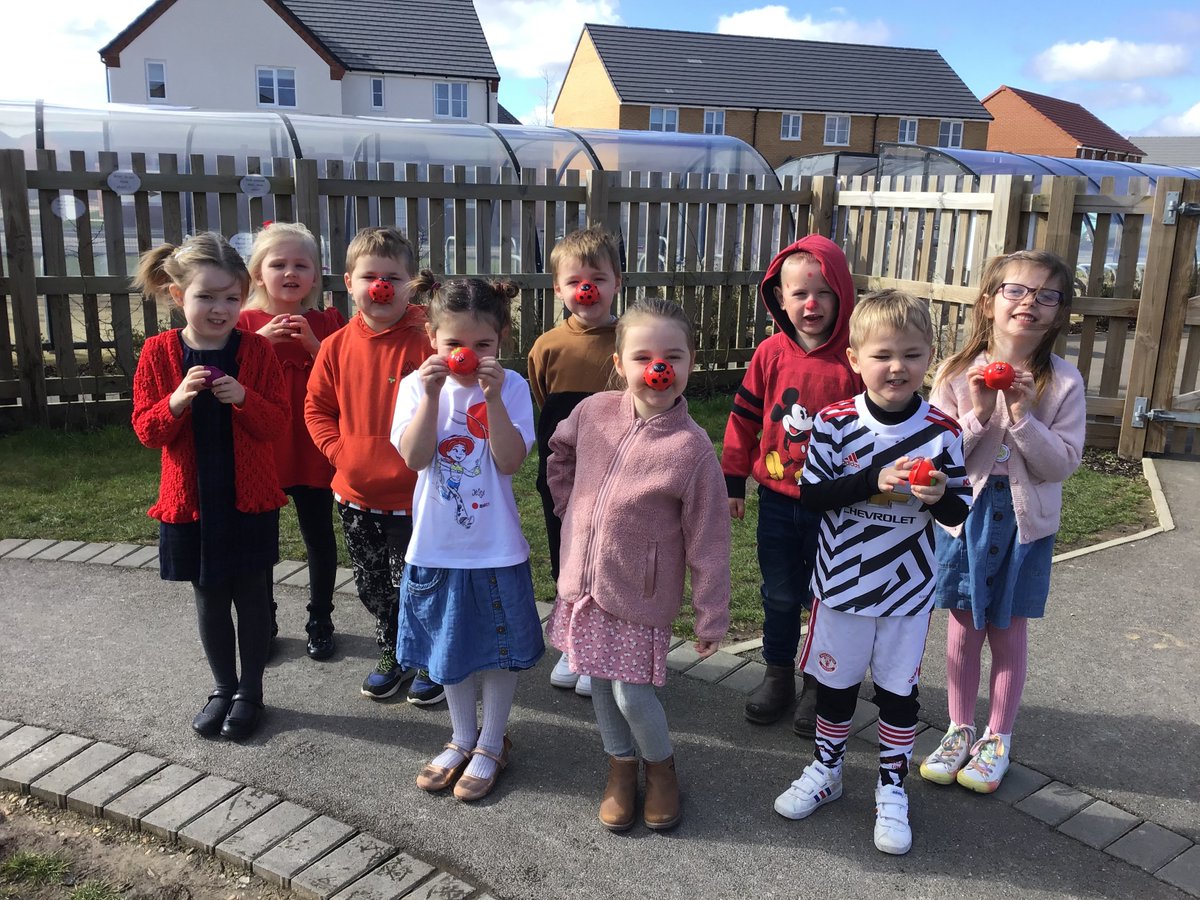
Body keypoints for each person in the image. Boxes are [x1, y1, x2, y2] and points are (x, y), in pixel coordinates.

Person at [772, 289, 971, 856]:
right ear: (855, 359)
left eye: (911, 354)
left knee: (897, 694)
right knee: (835, 688)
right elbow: (811, 497)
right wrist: (874, 479)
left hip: (906, 591)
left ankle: (890, 784)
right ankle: (827, 770)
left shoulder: (943, 430)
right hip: (841, 584)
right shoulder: (835, 423)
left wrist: (936, 497)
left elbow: (959, 512)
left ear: (929, 356)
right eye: (882, 354)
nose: (897, 367)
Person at [546, 298, 731, 832]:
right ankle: (620, 766)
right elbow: (558, 456)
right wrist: (572, 511)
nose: (659, 368)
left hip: (639, 594)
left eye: (673, 356)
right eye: (644, 356)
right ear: (620, 363)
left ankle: (661, 766)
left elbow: (710, 539)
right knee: (599, 682)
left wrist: (711, 614)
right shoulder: (593, 413)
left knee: (631, 689)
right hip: (584, 581)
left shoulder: (691, 449)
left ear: (691, 363)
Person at [919, 250, 1085, 793]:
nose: (1030, 303)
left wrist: (1020, 416)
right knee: (963, 628)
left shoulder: (1061, 383)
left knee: (1008, 631)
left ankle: (998, 737)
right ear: (989, 302)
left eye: (1047, 295)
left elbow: (1060, 464)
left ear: (1059, 314)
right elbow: (943, 452)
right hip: (965, 521)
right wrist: (981, 412)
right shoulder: (954, 373)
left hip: (1024, 526)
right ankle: (959, 727)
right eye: (1016, 290)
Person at [392, 274, 544, 803]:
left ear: (501, 339)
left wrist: (494, 398)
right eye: (454, 343)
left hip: (495, 545)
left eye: (482, 345)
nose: (467, 354)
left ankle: (492, 740)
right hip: (437, 546)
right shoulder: (416, 387)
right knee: (449, 645)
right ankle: (461, 737)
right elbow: (414, 457)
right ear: (432, 337)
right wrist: (433, 395)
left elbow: (509, 460)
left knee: (499, 649)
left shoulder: (514, 386)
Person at [131, 232, 288, 741]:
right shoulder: (158, 353)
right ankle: (222, 686)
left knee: (253, 595)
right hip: (192, 501)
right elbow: (147, 431)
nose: (220, 309)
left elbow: (276, 425)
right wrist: (176, 399)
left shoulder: (257, 352)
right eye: (206, 297)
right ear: (179, 297)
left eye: (230, 297)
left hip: (249, 499)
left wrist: (243, 396)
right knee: (209, 599)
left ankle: (251, 692)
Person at [721, 235, 862, 738]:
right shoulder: (769, 353)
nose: (811, 304)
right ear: (779, 297)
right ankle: (777, 673)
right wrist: (733, 480)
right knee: (779, 595)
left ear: (842, 294)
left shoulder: (855, 358)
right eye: (799, 293)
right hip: (778, 504)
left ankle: (819, 684)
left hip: (839, 508)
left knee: (826, 599)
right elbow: (743, 419)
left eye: (823, 293)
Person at [305, 226, 443, 706]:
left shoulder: (431, 339)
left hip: (417, 496)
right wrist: (340, 453)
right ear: (348, 282)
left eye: (393, 277)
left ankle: (428, 660)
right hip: (356, 495)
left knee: (420, 581)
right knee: (371, 583)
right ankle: (392, 652)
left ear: (412, 284)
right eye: (369, 277)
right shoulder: (335, 346)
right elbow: (316, 408)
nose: (380, 287)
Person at [239, 222, 346, 660]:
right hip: (262, 444)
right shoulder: (243, 321)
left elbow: (344, 374)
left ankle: (320, 616)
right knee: (260, 538)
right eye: (277, 263)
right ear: (258, 274)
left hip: (313, 445)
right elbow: (230, 373)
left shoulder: (328, 321)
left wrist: (314, 344)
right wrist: (257, 343)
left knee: (318, 534)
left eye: (300, 264)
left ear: (315, 277)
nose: (289, 272)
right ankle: (263, 619)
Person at [527, 224, 622, 699]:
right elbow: (542, 402)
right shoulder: (547, 346)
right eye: (574, 281)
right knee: (566, 555)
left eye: (598, 279)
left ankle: (598, 647)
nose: (587, 289)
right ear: (558, 289)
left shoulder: (631, 342)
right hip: (563, 476)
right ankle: (570, 640)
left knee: (605, 559)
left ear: (617, 282)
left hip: (617, 477)